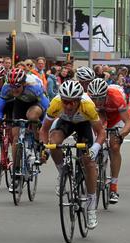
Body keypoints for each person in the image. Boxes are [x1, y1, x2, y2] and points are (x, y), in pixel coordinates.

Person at [39, 80, 104, 229]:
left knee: (88, 161)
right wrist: (43, 148)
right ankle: (63, 172)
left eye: (72, 103)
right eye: (65, 102)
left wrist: (95, 148)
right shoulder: (55, 103)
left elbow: (101, 133)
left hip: (84, 125)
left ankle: (91, 206)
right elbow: (44, 130)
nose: (68, 106)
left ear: (79, 100)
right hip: (64, 123)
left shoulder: (88, 106)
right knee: (53, 141)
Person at [0, 68, 49, 191]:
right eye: (12, 86)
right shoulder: (7, 87)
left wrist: (43, 129)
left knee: (32, 116)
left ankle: (36, 143)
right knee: (15, 138)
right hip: (20, 103)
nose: (14, 89)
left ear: (24, 84)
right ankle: (16, 174)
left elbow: (47, 111)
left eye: (17, 87)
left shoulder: (34, 88)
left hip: (37, 103)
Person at [87, 78, 130, 204]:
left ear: (106, 95)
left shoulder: (116, 97)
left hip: (116, 118)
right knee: (93, 133)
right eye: (94, 99)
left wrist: (120, 134)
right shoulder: (87, 99)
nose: (97, 102)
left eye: (100, 98)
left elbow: (128, 123)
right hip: (100, 115)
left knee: (114, 146)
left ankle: (113, 186)